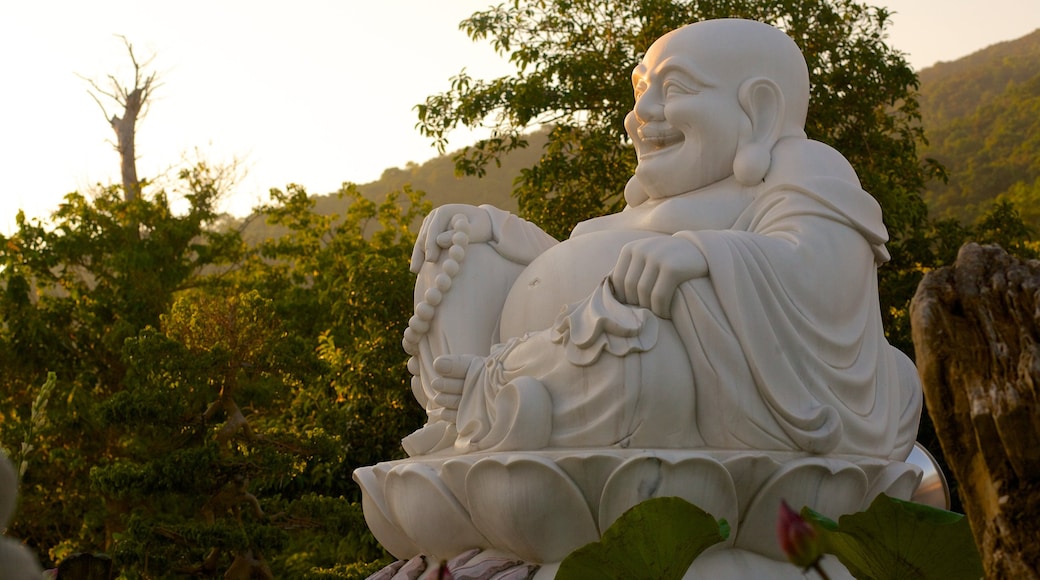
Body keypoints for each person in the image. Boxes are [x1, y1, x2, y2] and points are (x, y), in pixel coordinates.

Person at [403, 18, 921, 461]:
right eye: (639, 92)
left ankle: (490, 397)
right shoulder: (648, 206)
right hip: (554, 374)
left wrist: (703, 253)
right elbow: (574, 269)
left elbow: (824, 270)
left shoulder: (801, 167)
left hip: (650, 389)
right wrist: (497, 231)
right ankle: (461, 425)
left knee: (642, 347)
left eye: (672, 89)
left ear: (759, 111)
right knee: (462, 243)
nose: (639, 114)